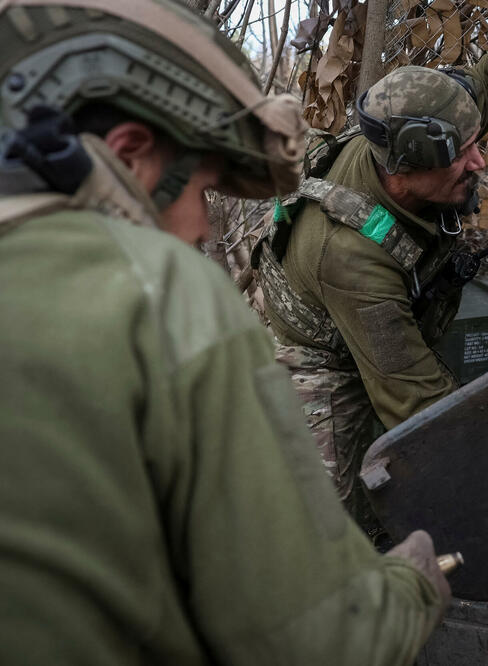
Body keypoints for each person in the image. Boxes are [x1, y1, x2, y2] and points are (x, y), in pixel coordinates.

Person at [0, 1, 449, 663]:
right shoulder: (158, 294)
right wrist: (413, 584)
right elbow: (324, 641)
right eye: (204, 189)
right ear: (130, 154)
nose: (204, 228)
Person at [255, 11, 488, 529]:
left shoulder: (430, 124)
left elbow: (487, 83)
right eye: (463, 155)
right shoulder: (352, 259)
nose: (480, 162)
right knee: (333, 523)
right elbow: (416, 399)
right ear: (407, 171)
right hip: (318, 353)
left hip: (375, 306)